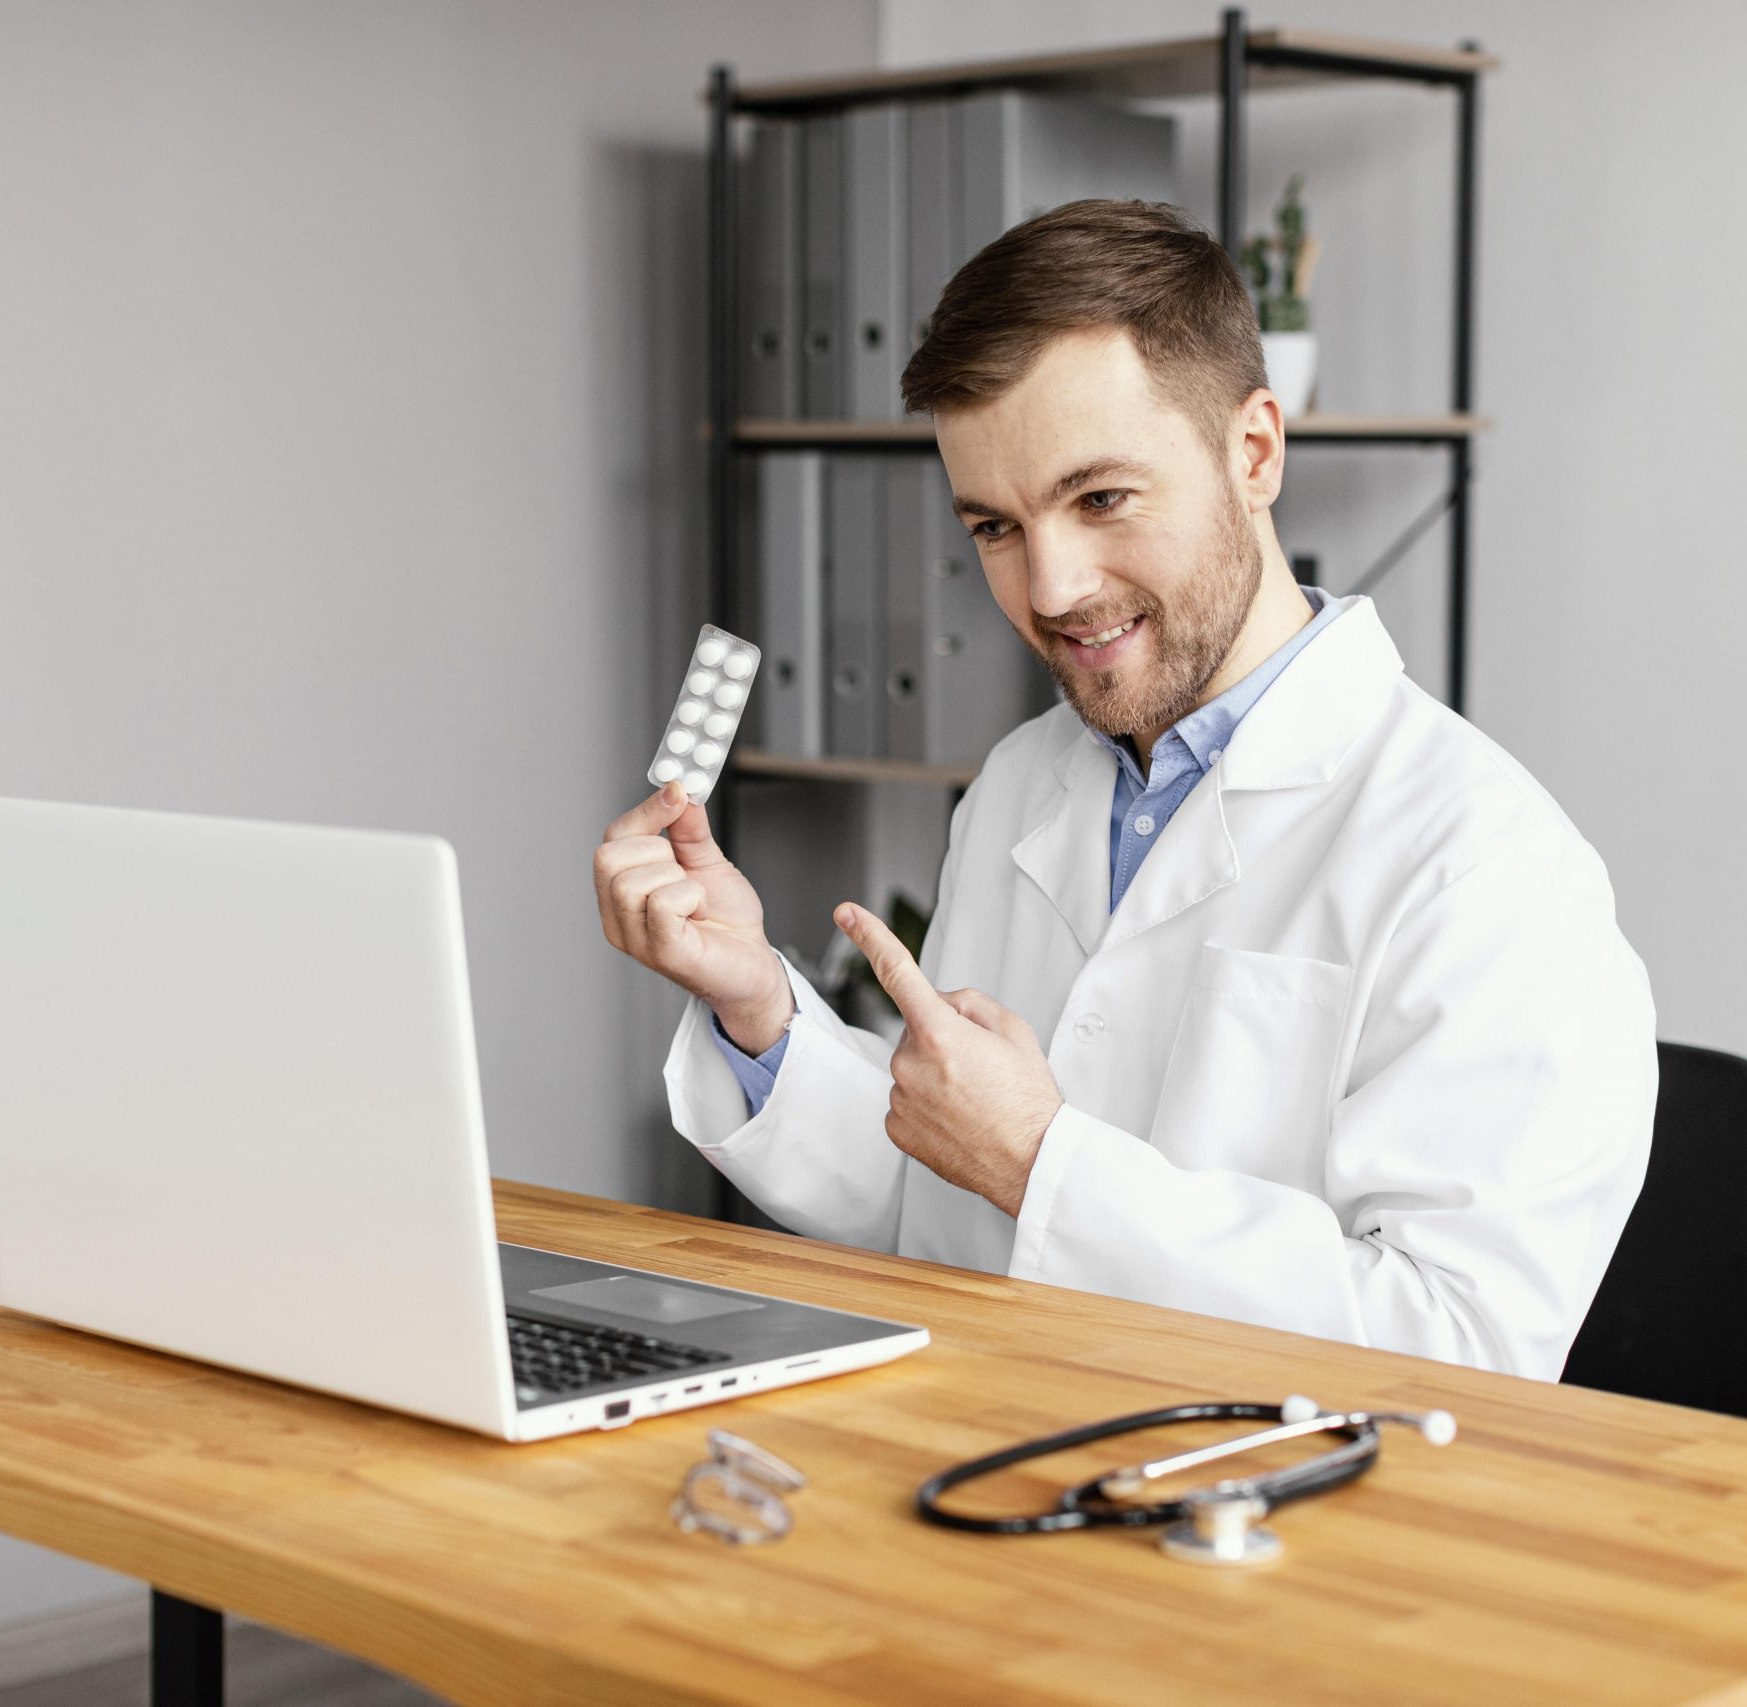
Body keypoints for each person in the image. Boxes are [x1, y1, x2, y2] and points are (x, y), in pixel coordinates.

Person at [595, 200, 1655, 1380]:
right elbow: (935, 1204)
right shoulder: (1020, 784)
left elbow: (1462, 1350)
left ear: (1252, 453)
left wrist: (1041, 1162)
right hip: (992, 1458)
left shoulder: (1484, 860)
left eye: (1101, 500)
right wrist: (757, 1011)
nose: (1050, 588)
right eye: (995, 526)